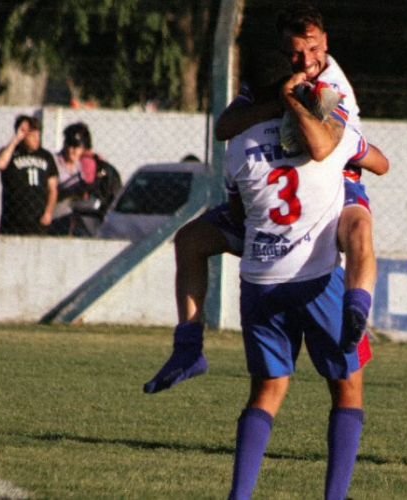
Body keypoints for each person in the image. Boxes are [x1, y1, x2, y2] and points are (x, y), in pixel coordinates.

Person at [143, 2, 388, 394]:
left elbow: (324, 148)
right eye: (295, 52)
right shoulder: (273, 80)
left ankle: (356, 310)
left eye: (312, 49)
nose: (305, 60)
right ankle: (188, 347)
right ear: (283, 52)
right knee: (189, 240)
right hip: (274, 207)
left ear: (325, 42)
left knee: (359, 227)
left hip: (336, 187)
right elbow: (225, 125)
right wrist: (279, 102)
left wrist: (288, 105)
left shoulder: (332, 86)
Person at [215, 49, 384, 500]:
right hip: (317, 277)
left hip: (260, 280)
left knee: (267, 391)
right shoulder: (329, 134)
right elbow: (381, 163)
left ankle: (239, 495)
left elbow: (237, 214)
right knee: (347, 388)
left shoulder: (239, 144)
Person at [0, 115, 59, 235]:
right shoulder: (11, 152)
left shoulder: (46, 156)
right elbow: (0, 164)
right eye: (32, 135)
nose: (36, 139)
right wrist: (15, 139)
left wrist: (49, 212)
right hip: (13, 217)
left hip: (38, 217)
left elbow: (53, 189)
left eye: (38, 135)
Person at [49, 122, 96, 236]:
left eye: (78, 147)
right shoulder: (54, 162)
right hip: (55, 216)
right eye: (71, 145)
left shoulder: (80, 165)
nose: (74, 151)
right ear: (65, 144)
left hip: (74, 218)